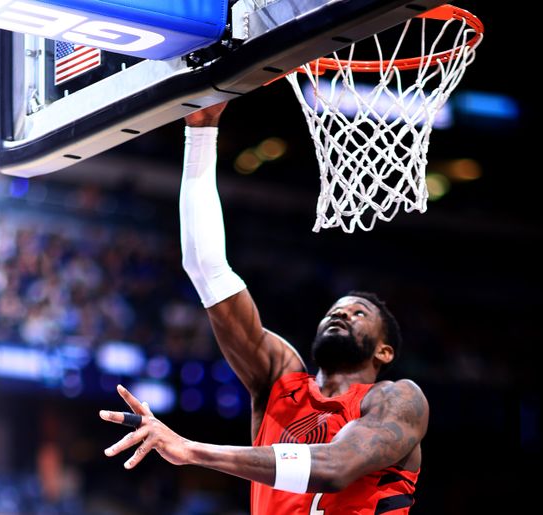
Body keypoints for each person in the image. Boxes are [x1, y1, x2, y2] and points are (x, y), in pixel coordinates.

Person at [99, 101, 429, 514]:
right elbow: (206, 269)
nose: (341, 314)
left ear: (385, 351)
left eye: (359, 312)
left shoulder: (397, 399)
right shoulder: (281, 380)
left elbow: (337, 466)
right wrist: (200, 131)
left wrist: (191, 450)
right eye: (335, 311)